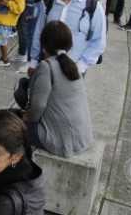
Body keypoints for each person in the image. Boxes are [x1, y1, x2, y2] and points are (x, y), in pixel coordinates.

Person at [16, 21, 94, 158]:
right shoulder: (72, 66)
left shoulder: (47, 66)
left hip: (60, 141)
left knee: (8, 122)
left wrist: (26, 117)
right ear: (69, 46)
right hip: (83, 137)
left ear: (43, 46)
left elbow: (38, 107)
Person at [28, 0, 106, 77]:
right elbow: (39, 32)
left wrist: (80, 66)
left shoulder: (93, 6)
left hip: (74, 69)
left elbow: (99, 41)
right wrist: (34, 61)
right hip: (47, 65)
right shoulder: (50, 2)